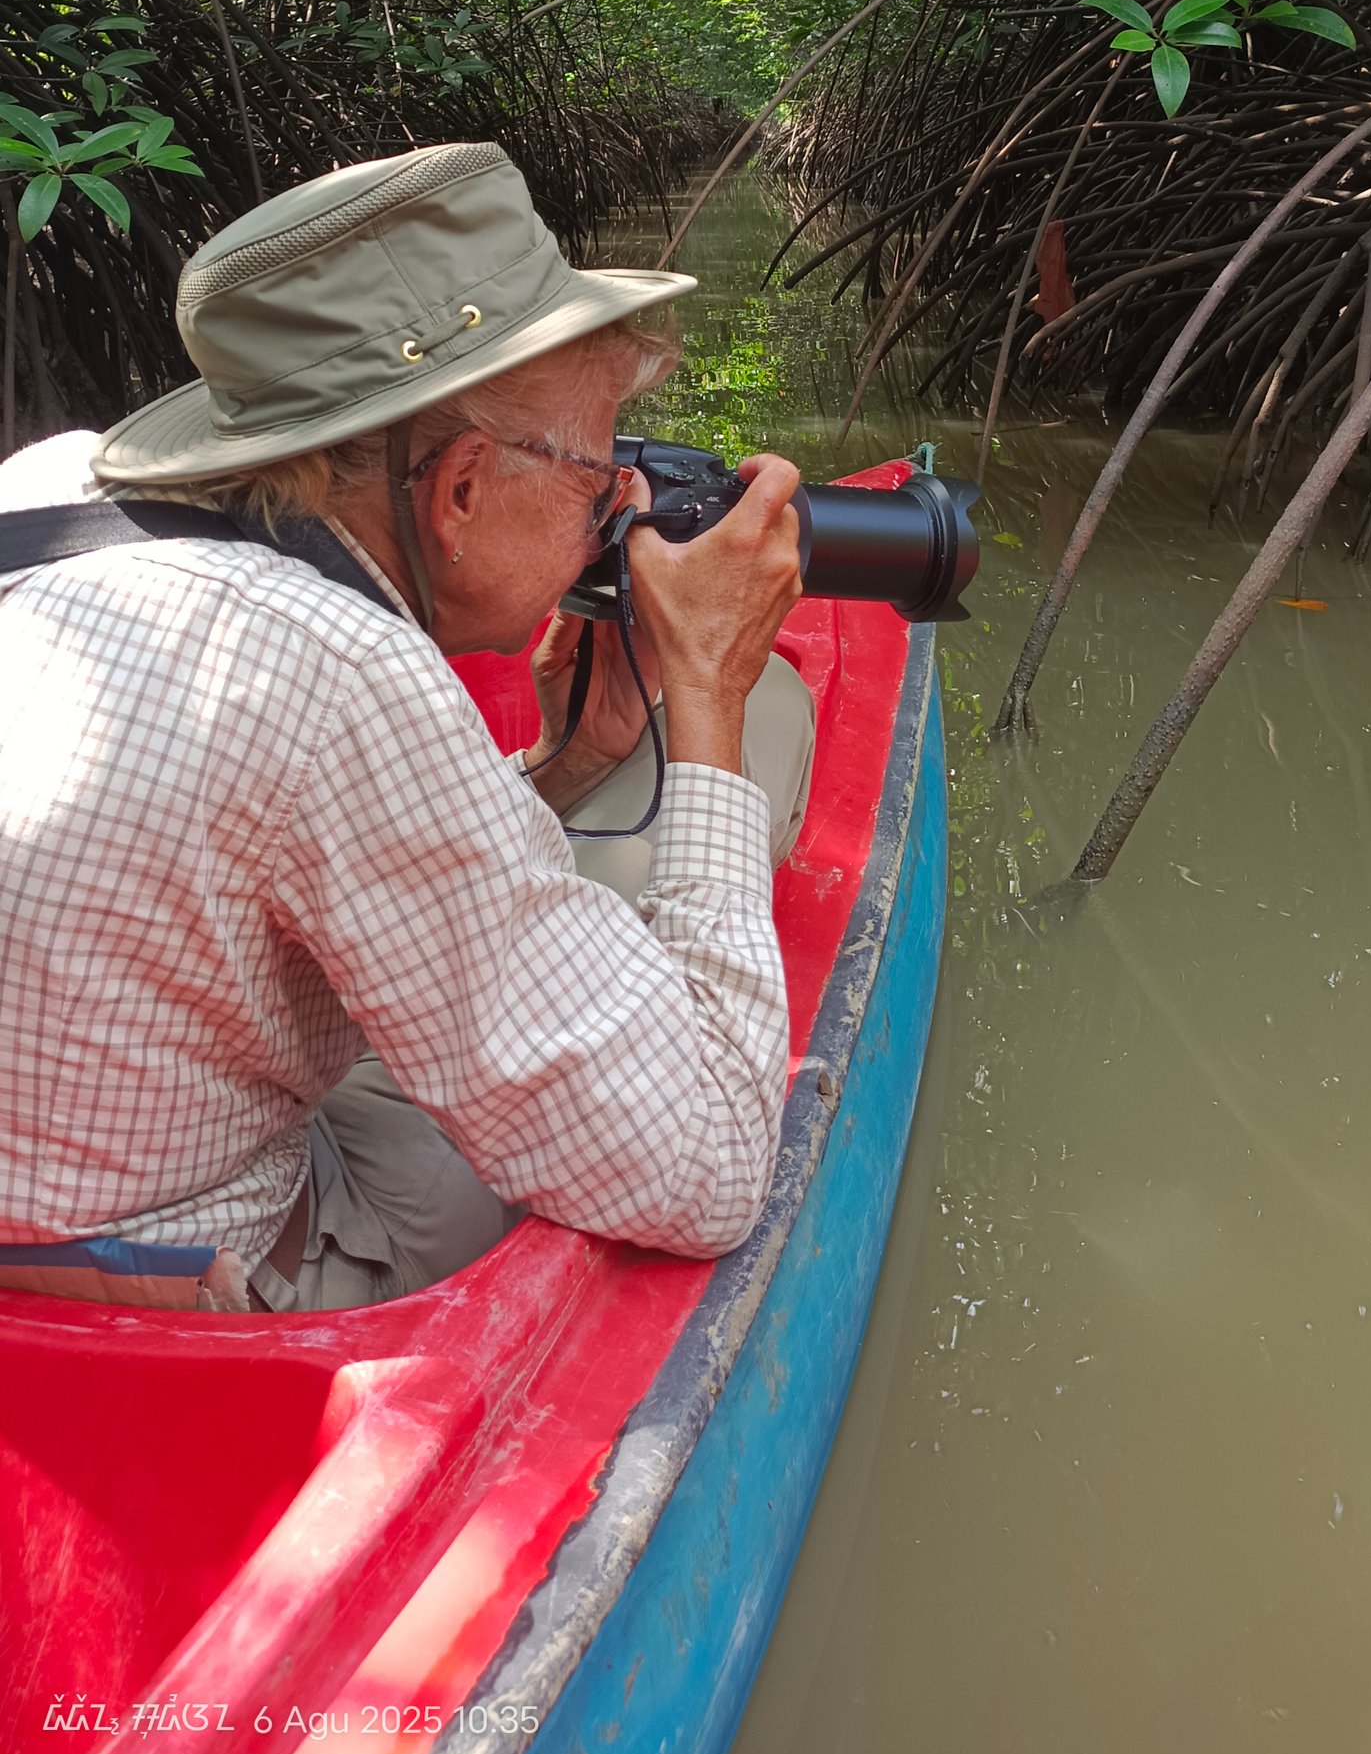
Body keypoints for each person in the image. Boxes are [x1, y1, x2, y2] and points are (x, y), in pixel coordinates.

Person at [0, 142, 816, 1311]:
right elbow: (711, 1169)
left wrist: (569, 761)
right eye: (598, 480)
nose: (617, 512)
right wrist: (710, 694)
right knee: (740, 775)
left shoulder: (46, 484)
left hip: (66, 1179)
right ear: (460, 491)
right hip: (173, 1290)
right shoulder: (337, 670)